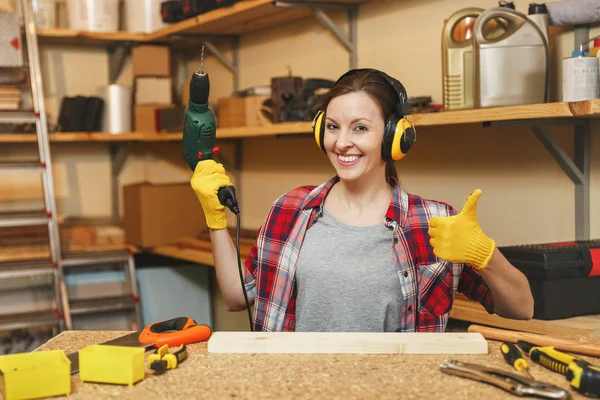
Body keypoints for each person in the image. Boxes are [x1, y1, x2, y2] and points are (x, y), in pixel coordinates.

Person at [190, 68, 534, 332]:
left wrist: (485, 254)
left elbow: (521, 308)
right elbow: (238, 298)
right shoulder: (291, 209)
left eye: (359, 128)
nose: (341, 143)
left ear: (394, 137)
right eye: (333, 127)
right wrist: (215, 219)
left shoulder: (434, 222)